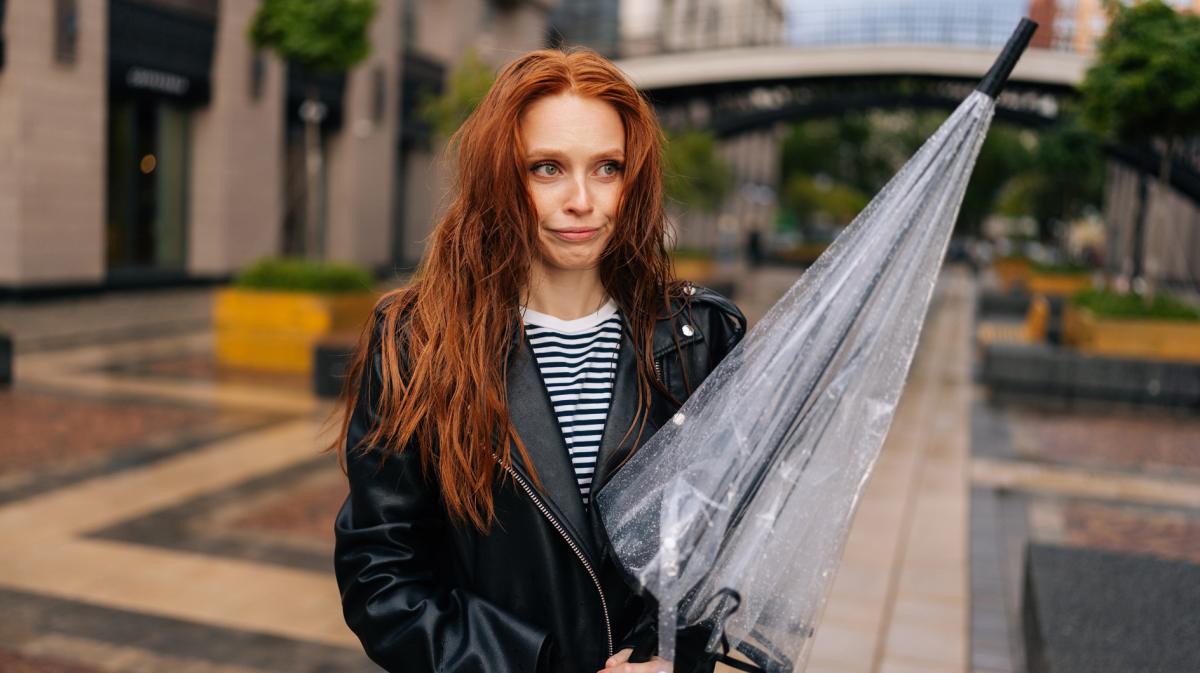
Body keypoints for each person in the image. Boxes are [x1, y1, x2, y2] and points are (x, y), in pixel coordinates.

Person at [332, 48, 746, 673]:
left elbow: (729, 551)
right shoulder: (418, 342)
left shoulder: (699, 337)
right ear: (500, 178)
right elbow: (381, 578)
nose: (582, 200)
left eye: (607, 168)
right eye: (547, 168)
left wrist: (675, 660)